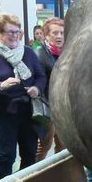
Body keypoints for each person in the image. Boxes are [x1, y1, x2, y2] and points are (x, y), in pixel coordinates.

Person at [0, 12, 46, 179]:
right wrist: (0, 85)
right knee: (6, 156)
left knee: (30, 154)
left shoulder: (28, 53)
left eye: (17, 31)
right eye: (11, 32)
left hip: (28, 111)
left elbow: (40, 76)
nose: (16, 36)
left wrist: (37, 89)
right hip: (4, 112)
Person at [35, 17, 64, 161]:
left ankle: (62, 176)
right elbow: (39, 83)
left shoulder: (65, 52)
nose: (59, 36)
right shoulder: (41, 53)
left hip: (62, 106)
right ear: (46, 35)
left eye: (62, 33)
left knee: (64, 146)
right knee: (44, 145)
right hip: (47, 105)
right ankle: (32, 175)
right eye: (55, 33)